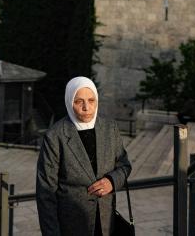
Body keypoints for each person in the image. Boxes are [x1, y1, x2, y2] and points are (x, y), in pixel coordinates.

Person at [36, 77, 132, 236]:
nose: (87, 107)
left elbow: (124, 165)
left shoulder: (110, 128)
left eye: (91, 100)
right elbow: (46, 193)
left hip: (106, 222)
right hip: (71, 226)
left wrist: (112, 181)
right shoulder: (55, 136)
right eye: (79, 101)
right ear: (69, 101)